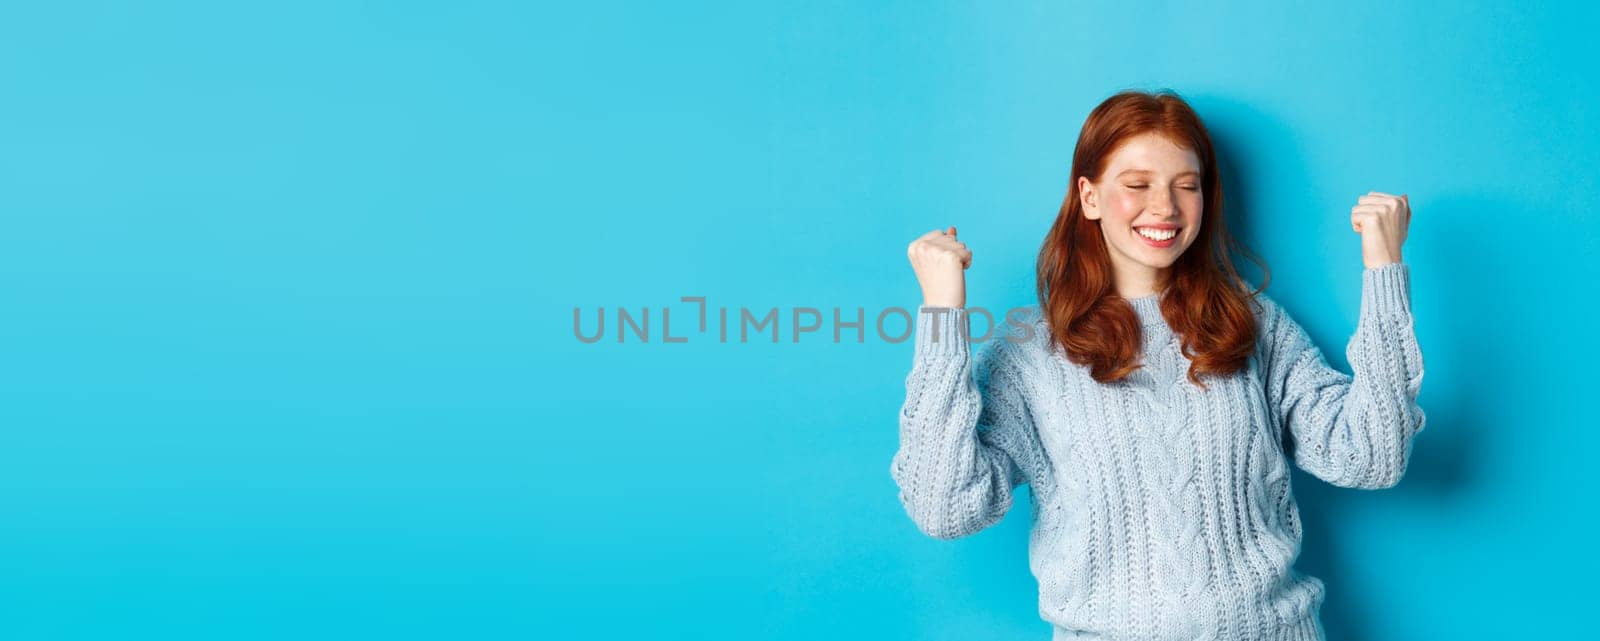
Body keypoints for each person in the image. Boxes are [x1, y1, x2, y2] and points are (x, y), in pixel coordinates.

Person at [889, 89, 1425, 641]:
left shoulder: (1251, 325)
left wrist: (1384, 271)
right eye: (1138, 184)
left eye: (1186, 186)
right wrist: (940, 316)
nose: (1165, 208)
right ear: (1089, 195)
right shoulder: (1031, 354)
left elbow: (1373, 457)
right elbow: (945, 508)